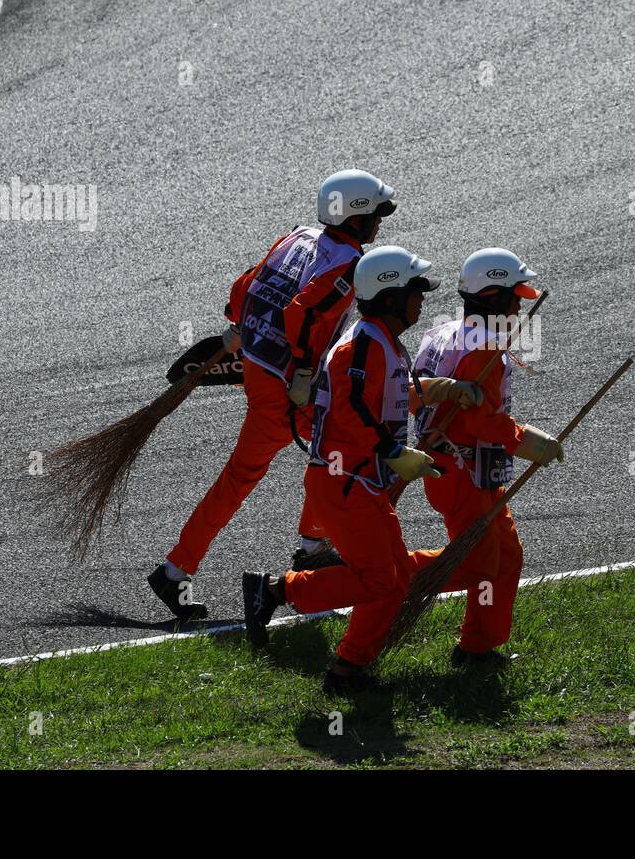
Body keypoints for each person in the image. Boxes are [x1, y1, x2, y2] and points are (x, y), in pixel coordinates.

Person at [147, 170, 395, 622]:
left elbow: (246, 285)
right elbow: (303, 313)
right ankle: (299, 549)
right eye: (376, 215)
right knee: (319, 457)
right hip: (287, 384)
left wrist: (238, 324)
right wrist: (302, 372)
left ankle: (190, 565)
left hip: (260, 368)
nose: (380, 224)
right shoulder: (349, 264)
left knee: (314, 453)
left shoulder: (296, 236)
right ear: (358, 220)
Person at [242, 246, 479, 693]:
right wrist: (392, 450)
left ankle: (347, 670)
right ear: (391, 296)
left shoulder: (384, 343)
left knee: (394, 581)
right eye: (414, 291)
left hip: (361, 483)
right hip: (343, 482)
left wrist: (442, 390)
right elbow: (350, 410)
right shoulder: (362, 344)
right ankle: (277, 592)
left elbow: (390, 398)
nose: (421, 299)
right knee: (380, 580)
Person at [407, 248, 563, 666]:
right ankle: (345, 581)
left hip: (463, 467)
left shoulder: (443, 332)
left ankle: (478, 647)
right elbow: (481, 424)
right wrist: (530, 442)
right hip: (461, 471)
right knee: (477, 563)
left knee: (505, 556)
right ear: (492, 295)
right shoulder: (484, 349)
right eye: (514, 297)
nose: (518, 306)